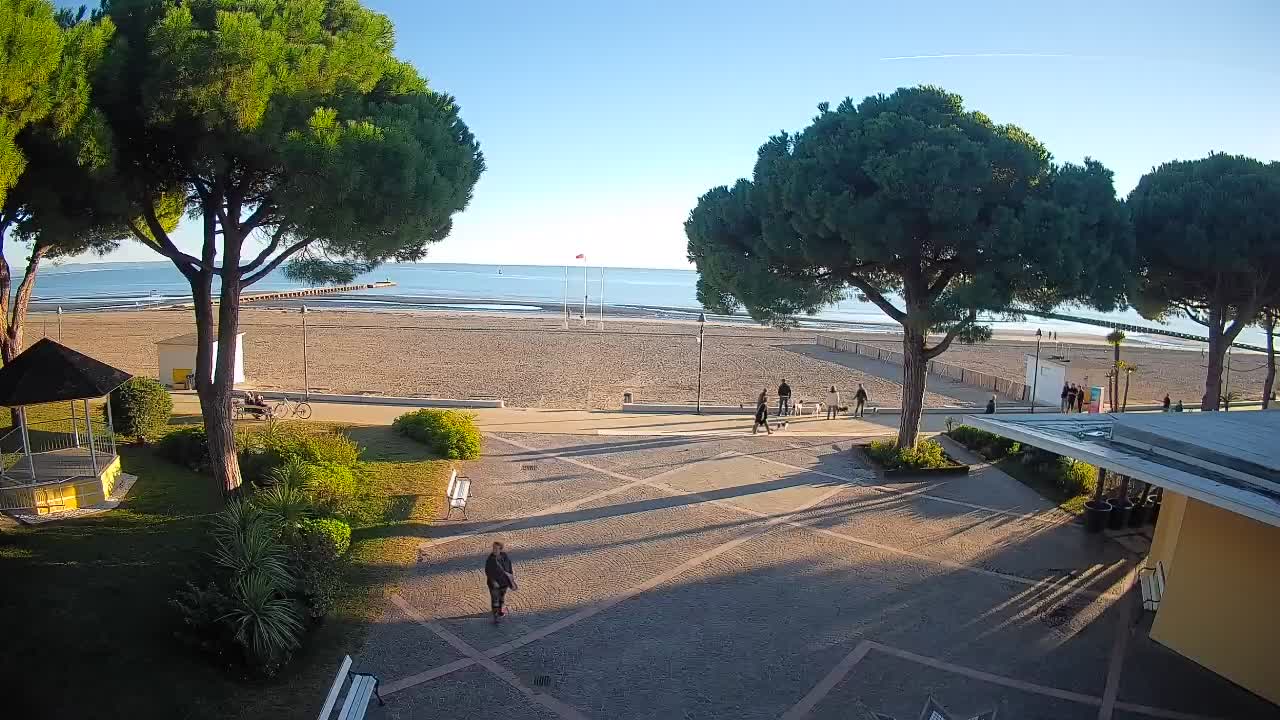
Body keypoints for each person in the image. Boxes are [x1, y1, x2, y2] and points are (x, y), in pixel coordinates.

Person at [485, 541, 516, 623]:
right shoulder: (490, 559)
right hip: (494, 584)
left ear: (500, 549)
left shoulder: (504, 556)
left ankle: (500, 610)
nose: (494, 550)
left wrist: (511, 576)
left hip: (504, 582)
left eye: (496, 548)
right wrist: (493, 582)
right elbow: (488, 572)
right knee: (495, 599)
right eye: (493, 548)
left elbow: (509, 566)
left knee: (501, 597)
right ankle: (495, 615)